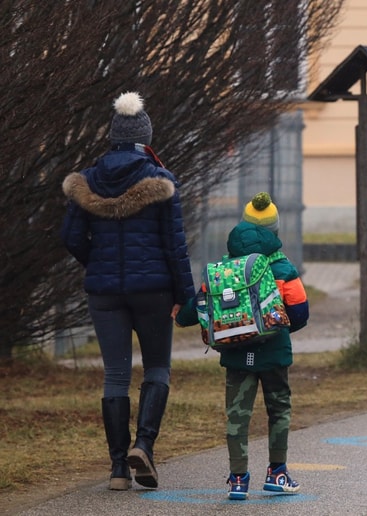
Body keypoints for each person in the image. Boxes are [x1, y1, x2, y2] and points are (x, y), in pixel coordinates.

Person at [60, 91, 195, 490]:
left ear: (112, 137)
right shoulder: (161, 181)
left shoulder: (87, 180)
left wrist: (98, 263)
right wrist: (185, 296)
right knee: (157, 368)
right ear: (145, 139)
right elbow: (175, 246)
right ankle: (144, 447)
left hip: (105, 295)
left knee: (116, 375)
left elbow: (71, 237)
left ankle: (118, 469)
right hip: (154, 291)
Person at [176, 192, 309, 500]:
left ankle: (238, 479)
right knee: (279, 410)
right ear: (274, 230)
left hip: (236, 355)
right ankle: (277, 473)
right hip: (275, 354)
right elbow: (300, 314)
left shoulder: (226, 269)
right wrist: (275, 327)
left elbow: (194, 309)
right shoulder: (283, 269)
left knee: (237, 415)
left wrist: (180, 317)